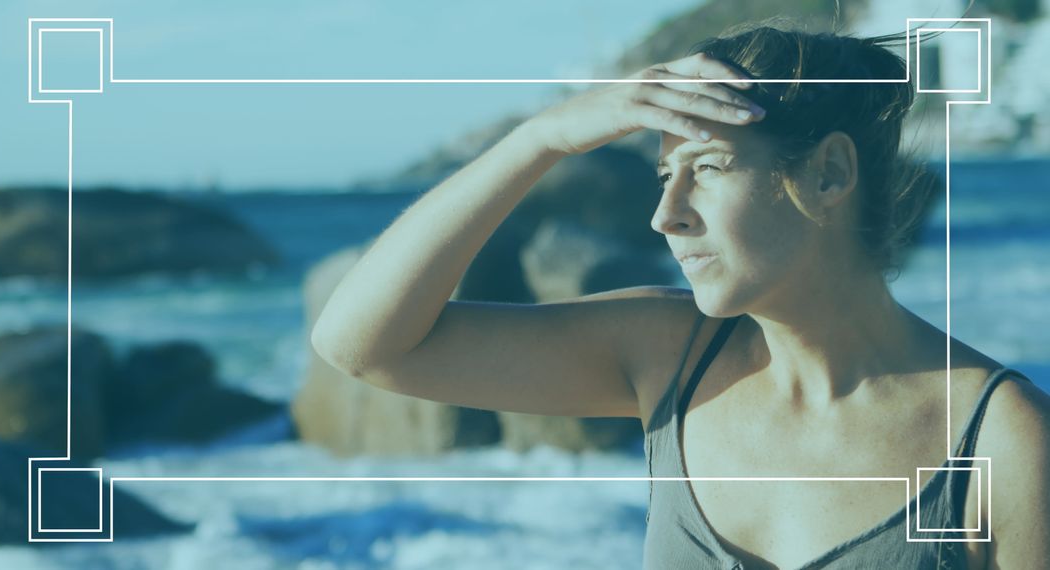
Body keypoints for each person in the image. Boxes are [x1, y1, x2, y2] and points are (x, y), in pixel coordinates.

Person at [311, 23, 1049, 569]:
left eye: (709, 166)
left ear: (828, 173)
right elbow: (361, 345)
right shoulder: (670, 357)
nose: (668, 214)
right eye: (666, 175)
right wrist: (542, 139)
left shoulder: (1001, 442)